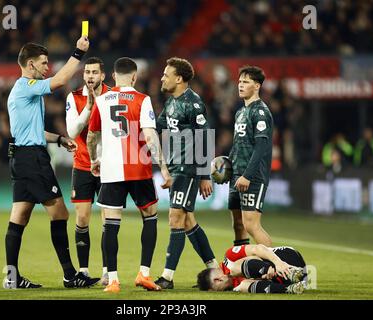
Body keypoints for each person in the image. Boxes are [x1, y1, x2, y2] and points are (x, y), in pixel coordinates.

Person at [4, 38, 93, 289]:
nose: (47, 67)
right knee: (61, 213)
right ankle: (69, 275)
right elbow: (61, 81)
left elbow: (31, 131)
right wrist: (78, 53)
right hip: (33, 159)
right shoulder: (27, 86)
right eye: (44, 63)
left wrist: (60, 139)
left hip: (20, 157)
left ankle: (12, 277)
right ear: (30, 65)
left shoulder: (20, 92)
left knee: (19, 217)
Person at [87, 57, 172, 293]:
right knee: (150, 216)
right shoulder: (143, 100)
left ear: (113, 77)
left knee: (111, 223)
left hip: (112, 169)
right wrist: (163, 168)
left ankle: (112, 280)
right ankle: (144, 274)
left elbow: (92, 136)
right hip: (139, 167)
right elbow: (151, 137)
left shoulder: (101, 100)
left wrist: (94, 160)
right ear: (134, 77)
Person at [155, 57, 218, 289]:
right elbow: (157, 126)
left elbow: (205, 137)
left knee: (175, 218)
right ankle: (214, 270)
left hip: (188, 168)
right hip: (175, 167)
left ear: (178, 78)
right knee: (188, 221)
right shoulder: (171, 102)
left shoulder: (193, 103)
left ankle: (167, 277)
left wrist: (204, 176)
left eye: (166, 74)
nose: (162, 78)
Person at [65, 57, 110, 286]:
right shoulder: (74, 97)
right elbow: (72, 132)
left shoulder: (113, 96)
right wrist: (90, 107)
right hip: (83, 164)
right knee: (82, 218)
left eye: (94, 72)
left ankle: (106, 272)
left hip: (108, 167)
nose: (90, 76)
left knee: (107, 220)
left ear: (103, 75)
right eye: (87, 73)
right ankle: (82, 271)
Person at [228, 66, 274, 248]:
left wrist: (247, 176)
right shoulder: (240, 112)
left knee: (251, 225)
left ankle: (279, 269)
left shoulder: (260, 112)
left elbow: (261, 146)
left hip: (252, 177)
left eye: (245, 82)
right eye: (239, 81)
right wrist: (226, 166)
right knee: (238, 225)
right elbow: (238, 145)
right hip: (236, 176)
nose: (240, 85)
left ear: (256, 86)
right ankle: (242, 267)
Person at [196, 244, 308, 294]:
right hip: (297, 279)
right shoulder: (234, 287)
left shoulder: (229, 258)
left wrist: (278, 263)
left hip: (286, 258)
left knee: (234, 268)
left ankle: (292, 272)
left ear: (217, 280)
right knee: (243, 286)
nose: (220, 291)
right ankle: (289, 289)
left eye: (217, 290)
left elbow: (258, 249)